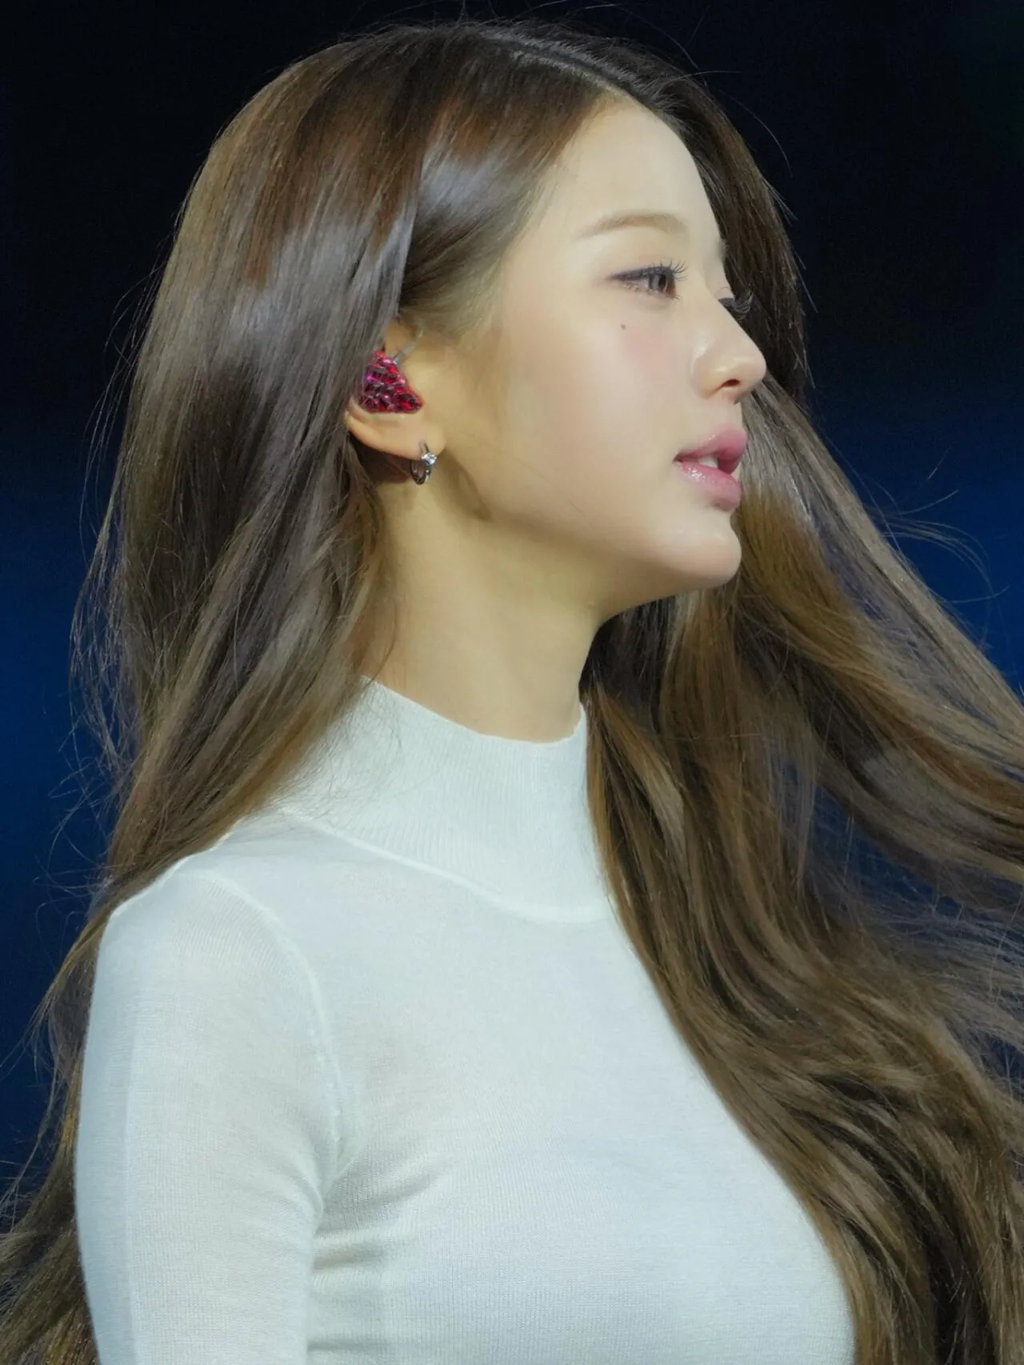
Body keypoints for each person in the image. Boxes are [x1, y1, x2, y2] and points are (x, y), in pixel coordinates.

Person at [3, 15, 1023, 1365]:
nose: (740, 355)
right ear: (389, 382)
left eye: (726, 297)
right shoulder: (235, 953)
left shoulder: (725, 945)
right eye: (651, 278)